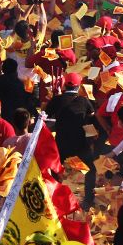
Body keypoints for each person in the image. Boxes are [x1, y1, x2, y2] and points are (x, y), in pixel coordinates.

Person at [46, 71, 96, 207]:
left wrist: (54, 96)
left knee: (56, 170)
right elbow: (91, 115)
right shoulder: (83, 100)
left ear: (64, 85)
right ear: (79, 86)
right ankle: (88, 200)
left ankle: (54, 199)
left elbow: (46, 114)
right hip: (81, 144)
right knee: (91, 170)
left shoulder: (57, 100)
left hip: (62, 143)